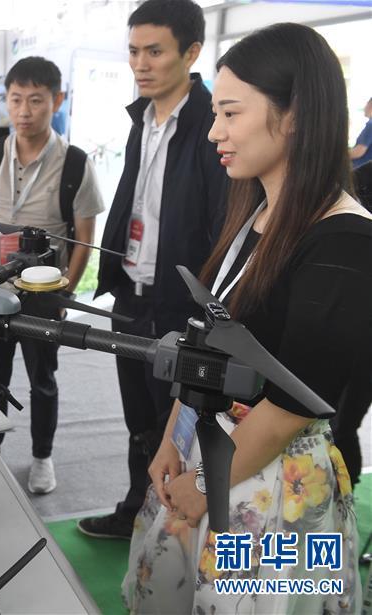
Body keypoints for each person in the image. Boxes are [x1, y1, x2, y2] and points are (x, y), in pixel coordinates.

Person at [123, 22, 368, 613]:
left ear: (296, 115)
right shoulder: (256, 213)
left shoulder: (344, 238)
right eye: (216, 114)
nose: (215, 131)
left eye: (231, 113)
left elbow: (293, 402)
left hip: (269, 486)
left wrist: (203, 482)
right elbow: (209, 336)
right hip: (209, 459)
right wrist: (172, 437)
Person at [82, 0, 227, 538]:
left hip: (180, 303)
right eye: (134, 51)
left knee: (179, 425)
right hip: (132, 291)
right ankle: (134, 513)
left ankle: (173, 533)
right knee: (139, 417)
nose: (141, 64)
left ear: (191, 53)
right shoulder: (141, 119)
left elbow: (219, 224)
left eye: (155, 51)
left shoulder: (212, 123)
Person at [0, 56, 105, 494]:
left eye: (36, 100)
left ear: (56, 101)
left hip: (44, 296)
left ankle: (42, 458)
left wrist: (65, 292)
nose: (24, 111)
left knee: (42, 380)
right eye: (16, 99)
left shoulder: (75, 163)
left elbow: (84, 237)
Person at [349, 97, 372, 169]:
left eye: (366, 104)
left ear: (370, 105)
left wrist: (340, 155)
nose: (364, 108)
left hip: (361, 170)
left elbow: (359, 151)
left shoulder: (370, 125)